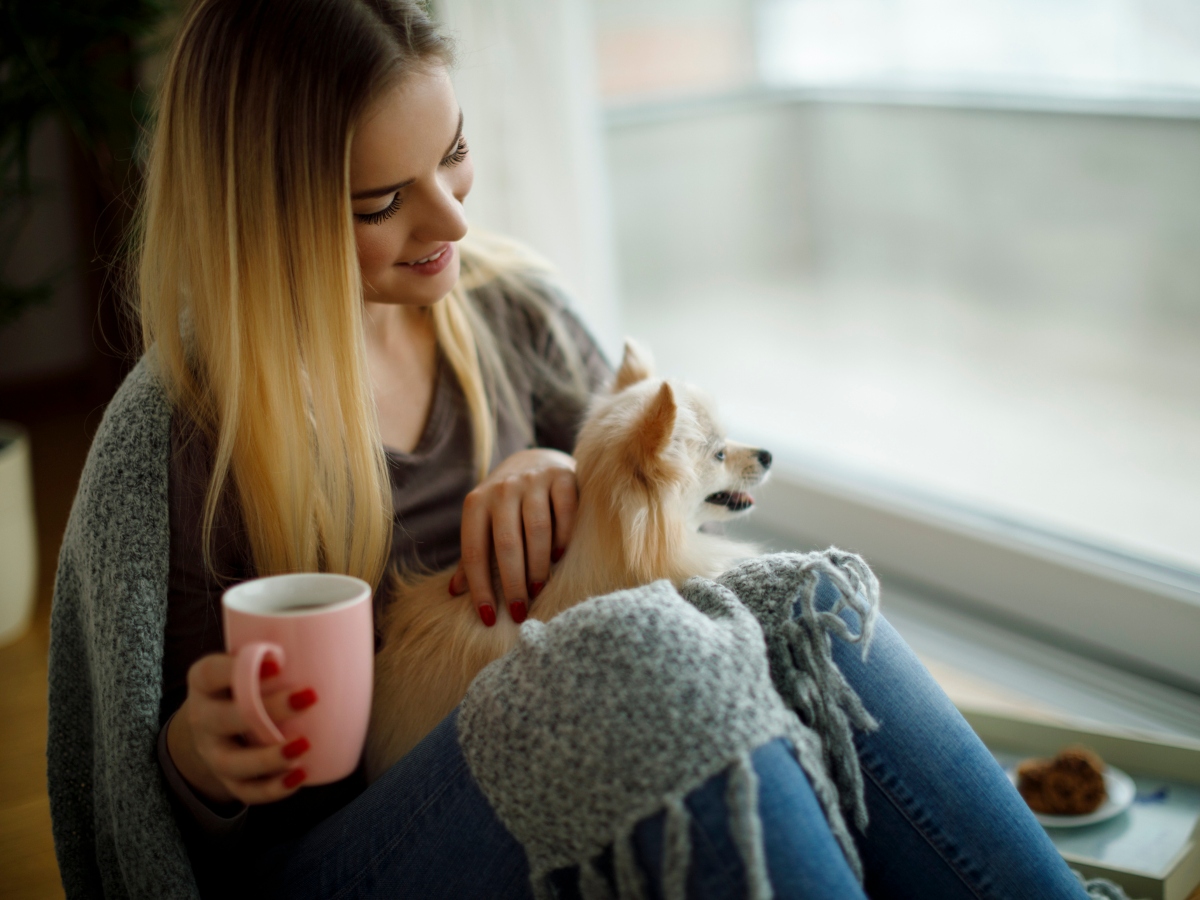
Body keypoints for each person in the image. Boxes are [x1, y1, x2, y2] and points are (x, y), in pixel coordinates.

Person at [46, 1, 1094, 898]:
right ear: (263, 215)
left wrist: (558, 469)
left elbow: (648, 507)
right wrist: (195, 760)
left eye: (454, 153)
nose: (451, 215)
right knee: (637, 664)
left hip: (566, 760)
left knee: (804, 604)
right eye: (382, 201)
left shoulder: (517, 316)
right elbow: (136, 830)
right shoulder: (179, 439)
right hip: (339, 854)